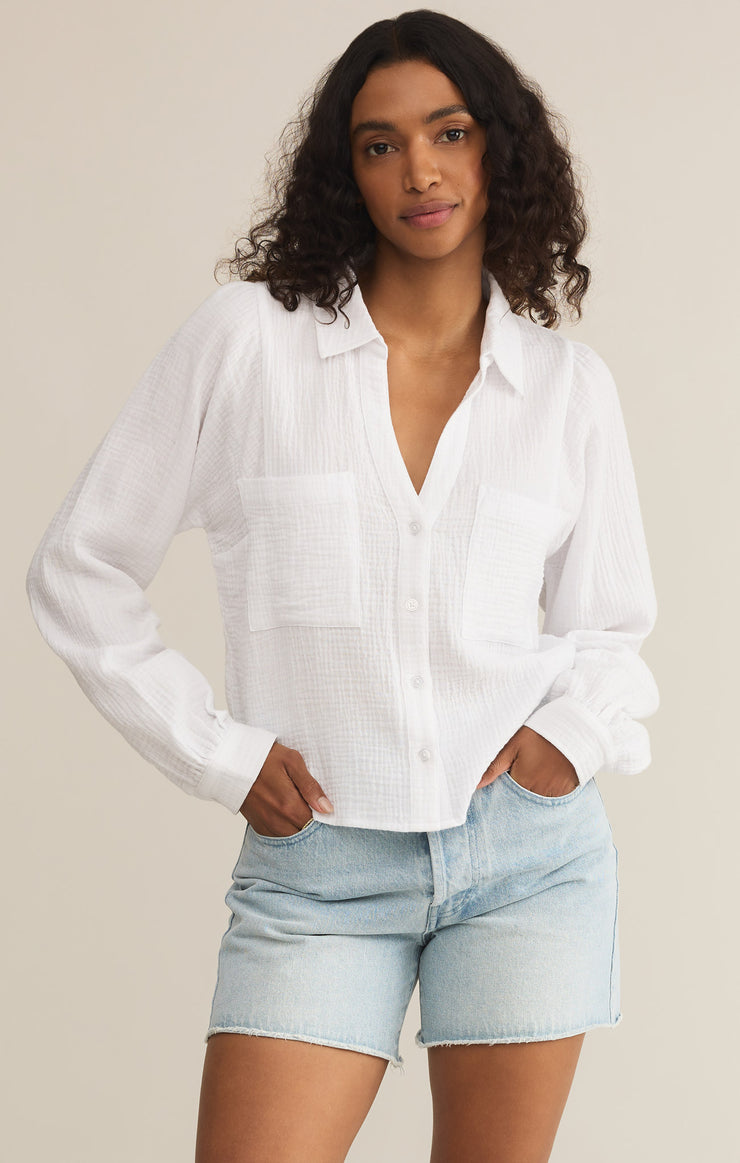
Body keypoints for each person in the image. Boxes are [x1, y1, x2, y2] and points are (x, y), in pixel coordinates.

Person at [25, 9, 660, 1162]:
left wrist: (562, 741)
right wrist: (217, 752)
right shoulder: (248, 343)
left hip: (525, 862)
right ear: (346, 172)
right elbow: (81, 565)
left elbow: (609, 625)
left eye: (449, 132)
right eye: (379, 144)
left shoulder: (565, 389)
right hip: (318, 869)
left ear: (498, 150)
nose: (418, 169)